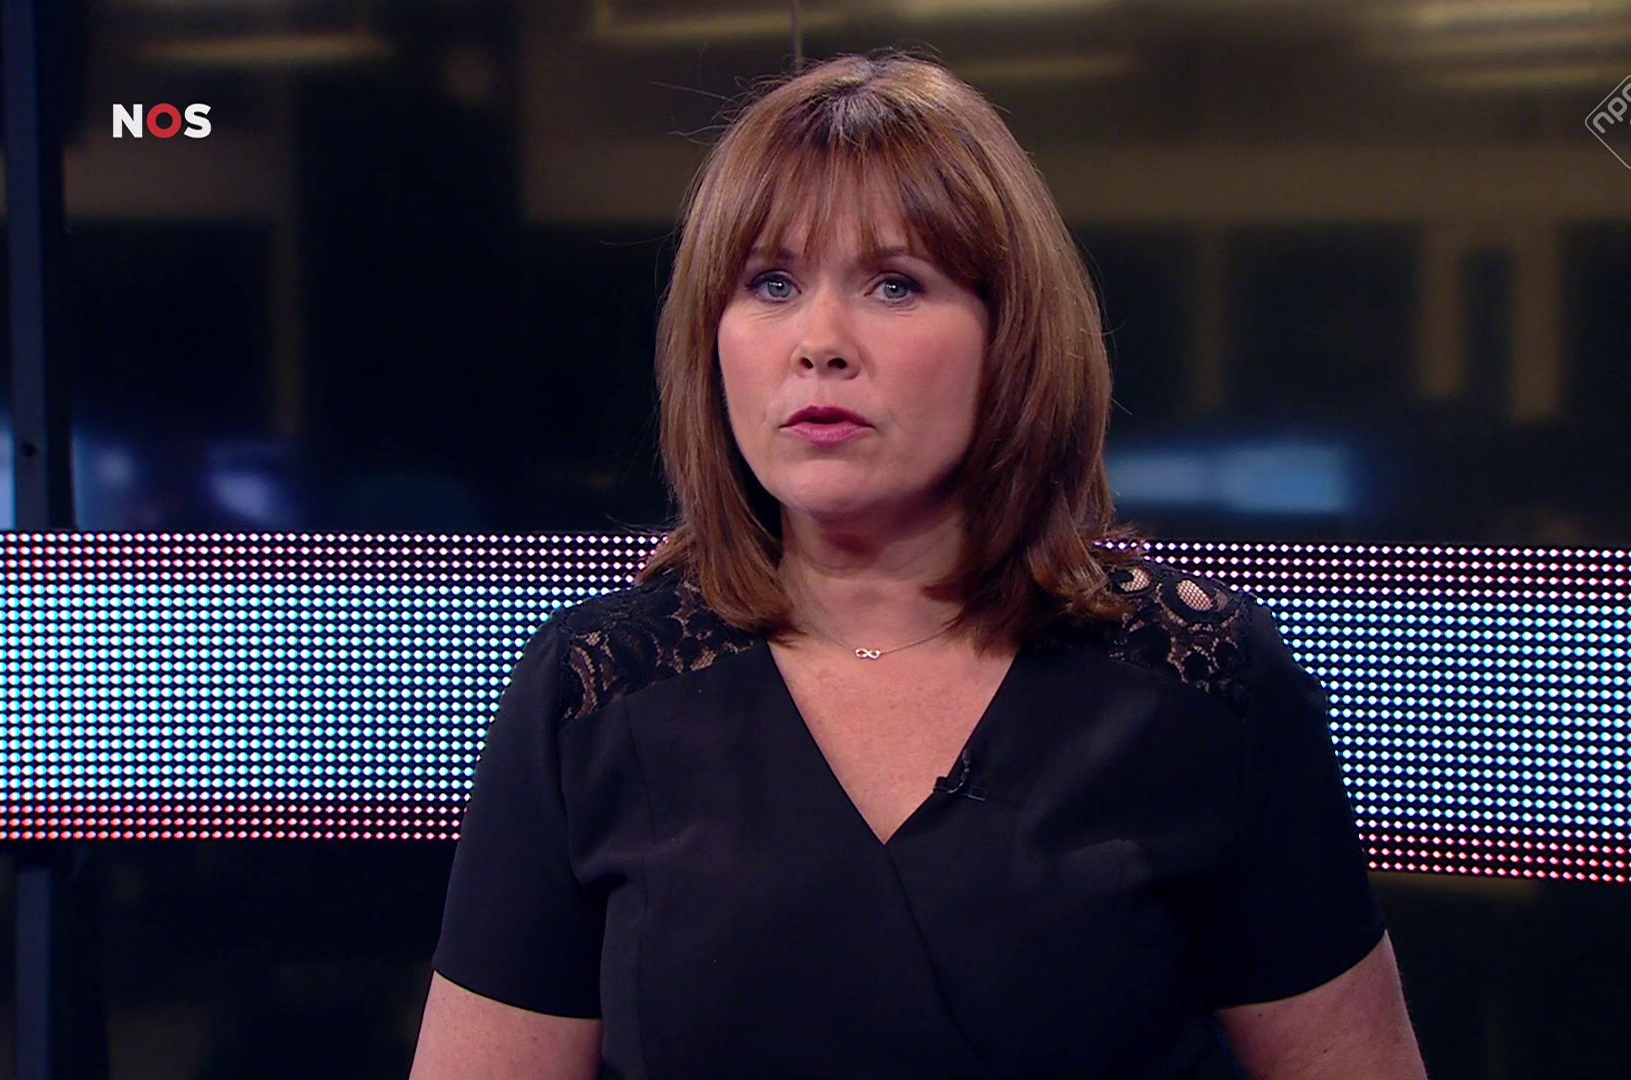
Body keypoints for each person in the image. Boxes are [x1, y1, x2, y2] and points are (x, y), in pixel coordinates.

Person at [409, 50, 1426, 1080]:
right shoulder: (595, 691)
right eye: (770, 284)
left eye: (895, 284)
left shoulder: (1199, 678)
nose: (819, 343)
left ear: (1010, 334)